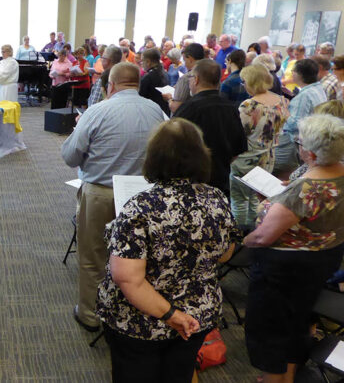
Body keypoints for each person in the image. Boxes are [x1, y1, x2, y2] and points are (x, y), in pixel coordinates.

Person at [97, 118, 240, 383]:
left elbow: (127, 277)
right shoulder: (217, 198)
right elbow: (225, 253)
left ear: (154, 158)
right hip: (197, 315)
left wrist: (172, 315)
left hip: (141, 322)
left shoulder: (140, 207)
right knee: (179, 374)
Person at [61, 63, 167, 333]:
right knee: (138, 257)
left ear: (111, 85)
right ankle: (133, 310)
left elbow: (69, 156)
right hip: (144, 194)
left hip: (101, 193)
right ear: (137, 83)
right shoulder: (156, 110)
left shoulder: (97, 111)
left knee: (93, 254)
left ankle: (90, 314)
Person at [243, 114, 344, 383]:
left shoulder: (305, 189)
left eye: (298, 142)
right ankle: (287, 376)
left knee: (272, 330)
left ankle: (274, 379)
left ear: (309, 153)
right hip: (325, 258)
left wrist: (242, 242)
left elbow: (263, 237)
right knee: (298, 321)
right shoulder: (338, 173)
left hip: (285, 269)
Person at [173, 59, 247, 195]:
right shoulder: (230, 108)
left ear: (195, 79)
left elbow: (172, 146)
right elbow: (238, 149)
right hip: (220, 183)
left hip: (191, 184)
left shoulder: (188, 108)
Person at [230, 64, 290, 229]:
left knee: (239, 201)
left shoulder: (249, 105)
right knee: (258, 200)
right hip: (269, 157)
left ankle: (240, 235)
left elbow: (238, 133)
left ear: (251, 82)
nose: (243, 85)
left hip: (246, 159)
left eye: (244, 82)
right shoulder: (282, 101)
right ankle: (255, 229)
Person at [275, 58, 327, 178]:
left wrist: (283, 111)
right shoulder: (318, 89)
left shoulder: (304, 96)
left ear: (299, 74)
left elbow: (293, 124)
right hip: (310, 142)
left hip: (294, 146)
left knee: (281, 175)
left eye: (293, 71)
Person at [169, 43, 205, 113]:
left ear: (190, 59)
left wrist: (169, 99)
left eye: (185, 60)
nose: (184, 64)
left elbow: (176, 108)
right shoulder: (212, 73)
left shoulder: (186, 78)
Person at [138, 48, 170, 115]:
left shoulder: (148, 77)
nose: (141, 63)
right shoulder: (165, 73)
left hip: (150, 112)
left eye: (142, 61)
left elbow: (140, 97)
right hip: (163, 111)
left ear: (148, 62)